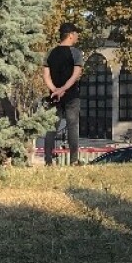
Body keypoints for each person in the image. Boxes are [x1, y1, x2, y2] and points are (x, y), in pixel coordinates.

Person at [42, 23, 84, 166]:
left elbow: (46, 76)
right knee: (73, 125)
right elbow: (75, 75)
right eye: (76, 33)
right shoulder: (76, 53)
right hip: (71, 96)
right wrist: (64, 89)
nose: (77, 36)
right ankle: (73, 160)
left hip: (54, 97)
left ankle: (48, 160)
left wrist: (55, 90)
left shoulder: (50, 53)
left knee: (51, 128)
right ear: (71, 35)